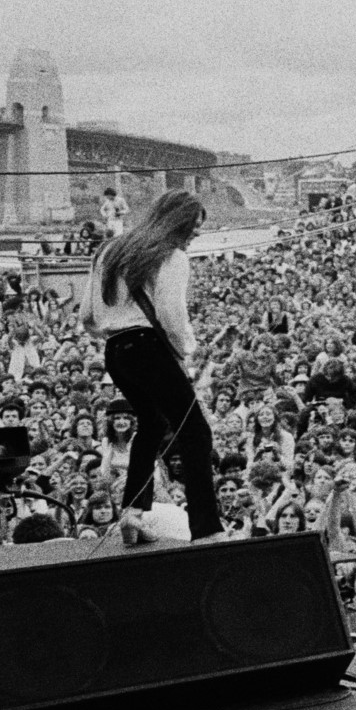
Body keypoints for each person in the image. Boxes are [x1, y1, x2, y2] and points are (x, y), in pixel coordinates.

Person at [80, 190, 220, 542]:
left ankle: (132, 513)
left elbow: (87, 316)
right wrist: (185, 351)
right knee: (196, 432)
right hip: (149, 348)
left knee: (152, 424)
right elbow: (171, 315)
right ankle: (207, 530)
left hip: (116, 351)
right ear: (176, 221)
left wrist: (117, 328)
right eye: (194, 225)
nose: (197, 232)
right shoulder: (171, 255)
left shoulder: (108, 251)